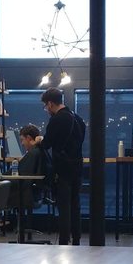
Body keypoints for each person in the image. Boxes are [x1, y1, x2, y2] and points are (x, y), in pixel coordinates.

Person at [36, 88, 86, 246]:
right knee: (75, 205)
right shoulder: (78, 118)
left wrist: (39, 140)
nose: (46, 109)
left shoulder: (57, 119)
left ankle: (64, 241)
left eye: (46, 106)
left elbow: (47, 144)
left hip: (63, 169)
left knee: (64, 207)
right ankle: (76, 239)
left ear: (50, 103)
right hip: (77, 166)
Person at [18, 124, 49, 208]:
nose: (22, 144)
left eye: (22, 140)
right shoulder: (41, 151)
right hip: (37, 193)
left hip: (26, 193)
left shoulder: (33, 154)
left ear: (28, 138)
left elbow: (22, 171)